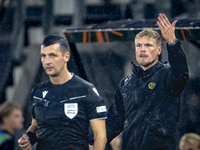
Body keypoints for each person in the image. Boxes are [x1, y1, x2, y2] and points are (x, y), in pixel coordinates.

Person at [106, 13, 189, 150]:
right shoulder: (126, 83)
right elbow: (114, 121)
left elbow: (181, 74)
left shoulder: (167, 75)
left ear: (159, 50)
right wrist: (93, 142)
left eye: (148, 45)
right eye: (139, 45)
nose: (142, 49)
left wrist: (172, 42)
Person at [18, 35, 107, 150]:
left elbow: (100, 135)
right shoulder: (38, 92)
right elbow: (35, 126)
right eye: (43, 56)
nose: (47, 61)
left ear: (66, 57)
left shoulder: (86, 90)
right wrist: (27, 138)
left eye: (53, 55)